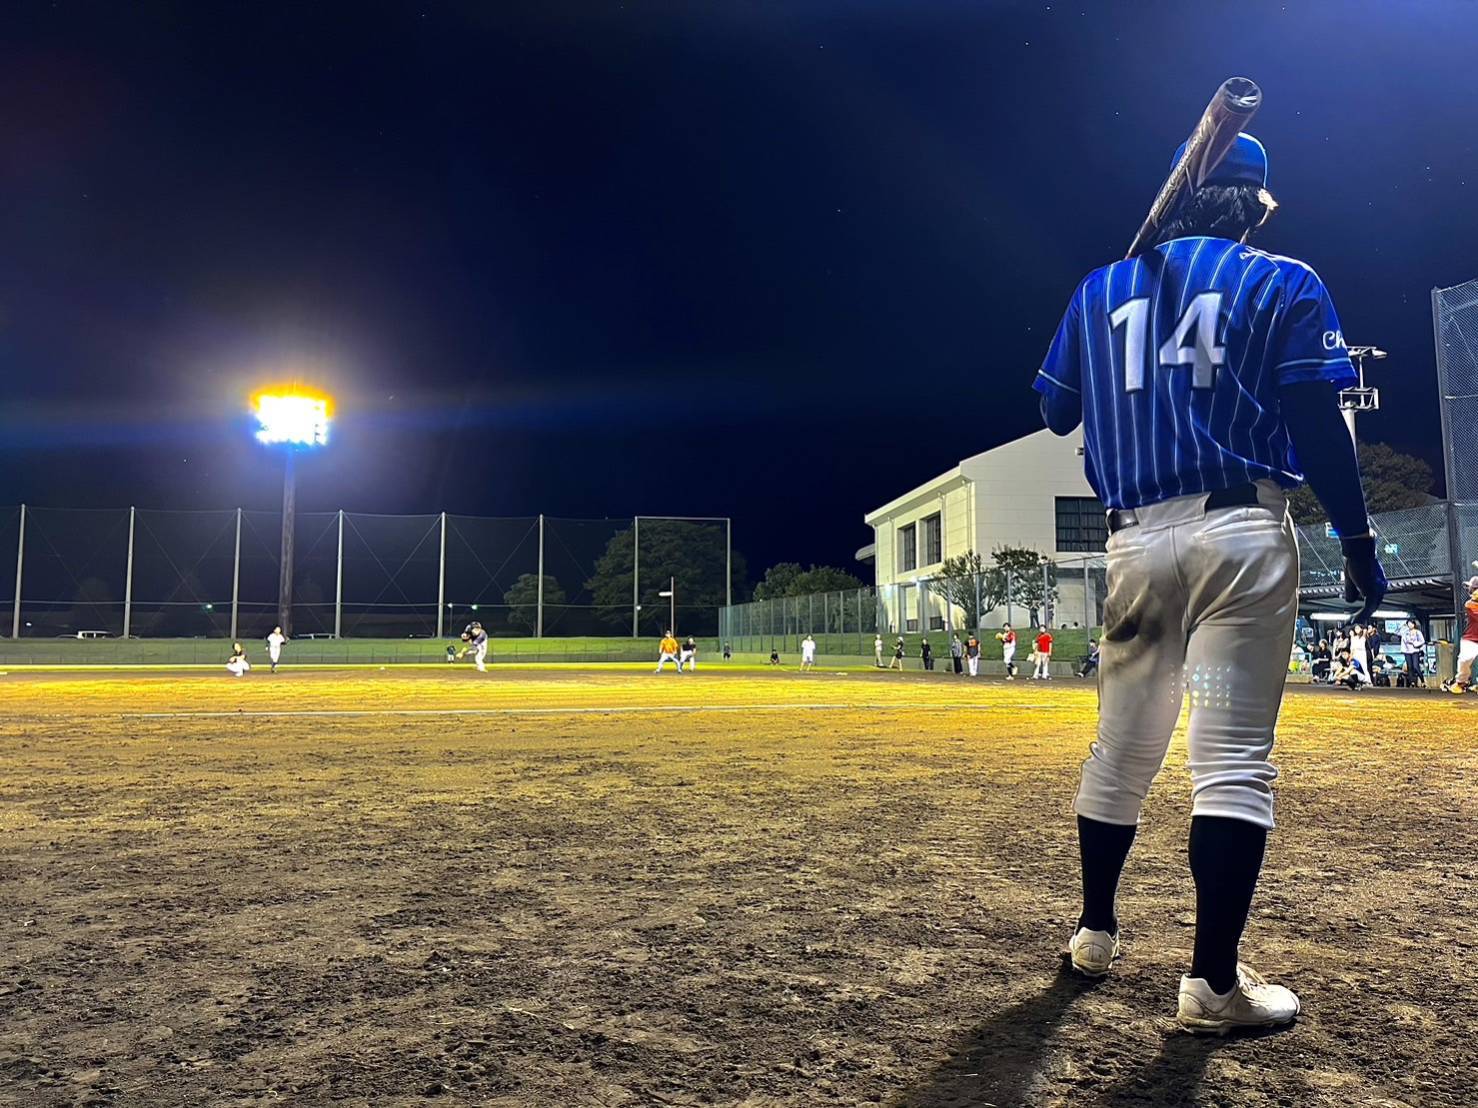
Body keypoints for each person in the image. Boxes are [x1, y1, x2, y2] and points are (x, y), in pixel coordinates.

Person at [1035, 130, 1385, 1032]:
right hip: (1238, 539)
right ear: (1257, 205)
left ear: (1179, 195)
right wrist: (1356, 537)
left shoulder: (1102, 285)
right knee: (1229, 764)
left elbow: (1054, 409)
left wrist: (1110, 308)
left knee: (1121, 749)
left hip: (1135, 551)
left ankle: (1095, 934)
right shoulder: (1285, 280)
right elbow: (1316, 419)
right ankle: (1211, 986)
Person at [1444, 584, 1478, 694]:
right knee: (1465, 659)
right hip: (1471, 638)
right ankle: (1461, 682)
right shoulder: (1469, 604)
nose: (1472, 592)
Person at [1400, 620, 1426, 686]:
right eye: (1408, 624)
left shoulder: (1418, 632)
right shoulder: (1405, 633)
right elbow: (1403, 640)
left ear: (1414, 624)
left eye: (1411, 623)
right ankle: (1412, 682)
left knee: (1416, 666)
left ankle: (1422, 681)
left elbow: (1422, 641)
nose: (1409, 625)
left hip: (1415, 651)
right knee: (1409, 667)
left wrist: (1415, 644)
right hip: (1407, 651)